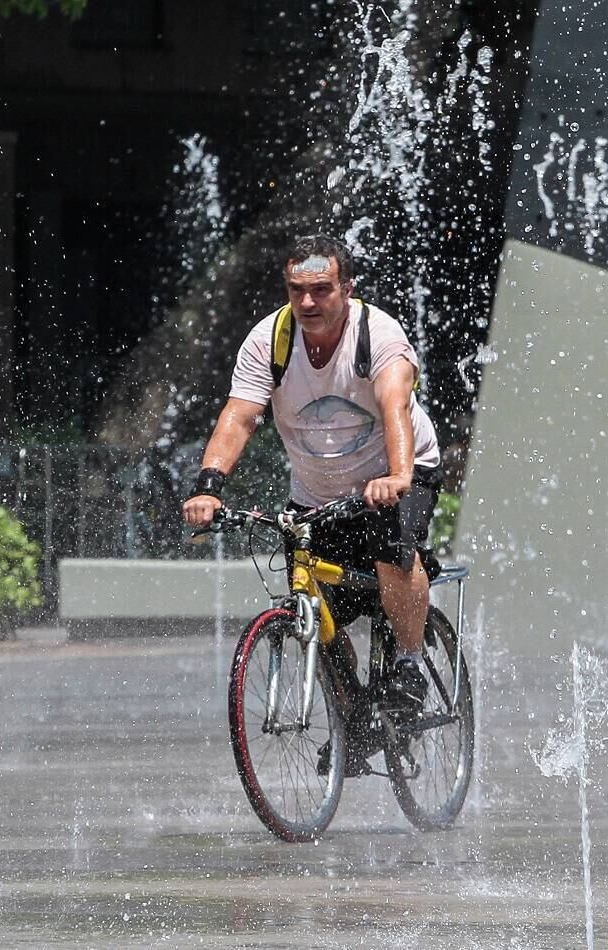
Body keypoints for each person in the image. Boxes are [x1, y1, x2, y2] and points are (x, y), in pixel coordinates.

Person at [181, 234, 443, 738]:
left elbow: (394, 407)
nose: (306, 302)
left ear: (347, 288)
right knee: (315, 608)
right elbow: (239, 417)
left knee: (393, 550)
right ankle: (354, 725)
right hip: (318, 494)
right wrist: (209, 485)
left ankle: (410, 662)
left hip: (399, 473)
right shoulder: (269, 342)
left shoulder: (377, 335)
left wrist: (398, 476)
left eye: (321, 289)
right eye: (296, 289)